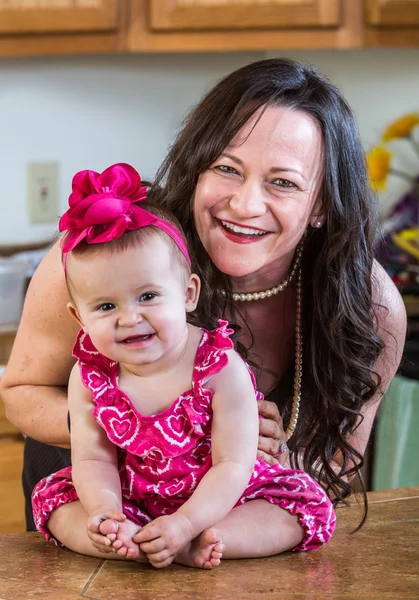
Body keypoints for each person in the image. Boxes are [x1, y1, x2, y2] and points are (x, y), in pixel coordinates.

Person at [0, 58, 406, 534]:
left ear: (320, 204)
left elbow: (339, 463)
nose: (245, 204)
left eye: (283, 182)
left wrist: (268, 454)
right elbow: (21, 394)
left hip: (227, 545)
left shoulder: (368, 304)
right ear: (197, 167)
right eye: (227, 168)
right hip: (94, 528)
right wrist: (139, 426)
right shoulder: (112, 248)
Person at [31, 162, 335, 568]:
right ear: (79, 318)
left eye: (148, 296)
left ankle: (205, 540)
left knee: (302, 507)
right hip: (130, 497)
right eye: (106, 306)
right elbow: (93, 460)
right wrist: (105, 510)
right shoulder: (90, 376)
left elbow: (233, 464)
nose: (129, 318)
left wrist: (187, 522)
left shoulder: (219, 366)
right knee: (55, 504)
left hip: (220, 499)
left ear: (188, 294)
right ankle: (122, 538)